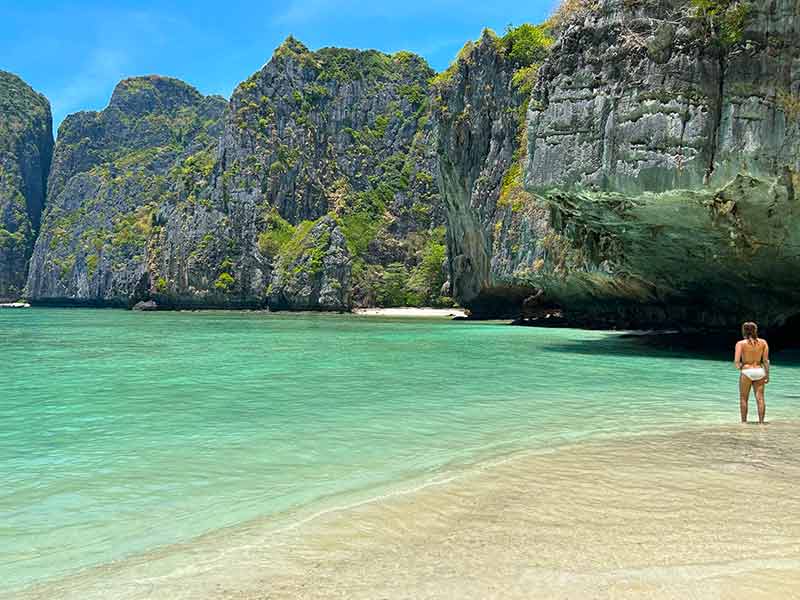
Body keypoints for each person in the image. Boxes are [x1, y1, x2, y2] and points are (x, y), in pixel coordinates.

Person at [734, 322, 770, 424]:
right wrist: (767, 375)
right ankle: (761, 422)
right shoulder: (763, 343)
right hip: (759, 371)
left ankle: (744, 422)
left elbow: (736, 362)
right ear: (755, 331)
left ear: (744, 331)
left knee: (744, 398)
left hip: (747, 371)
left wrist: (742, 368)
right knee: (760, 398)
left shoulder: (740, 344)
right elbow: (766, 361)